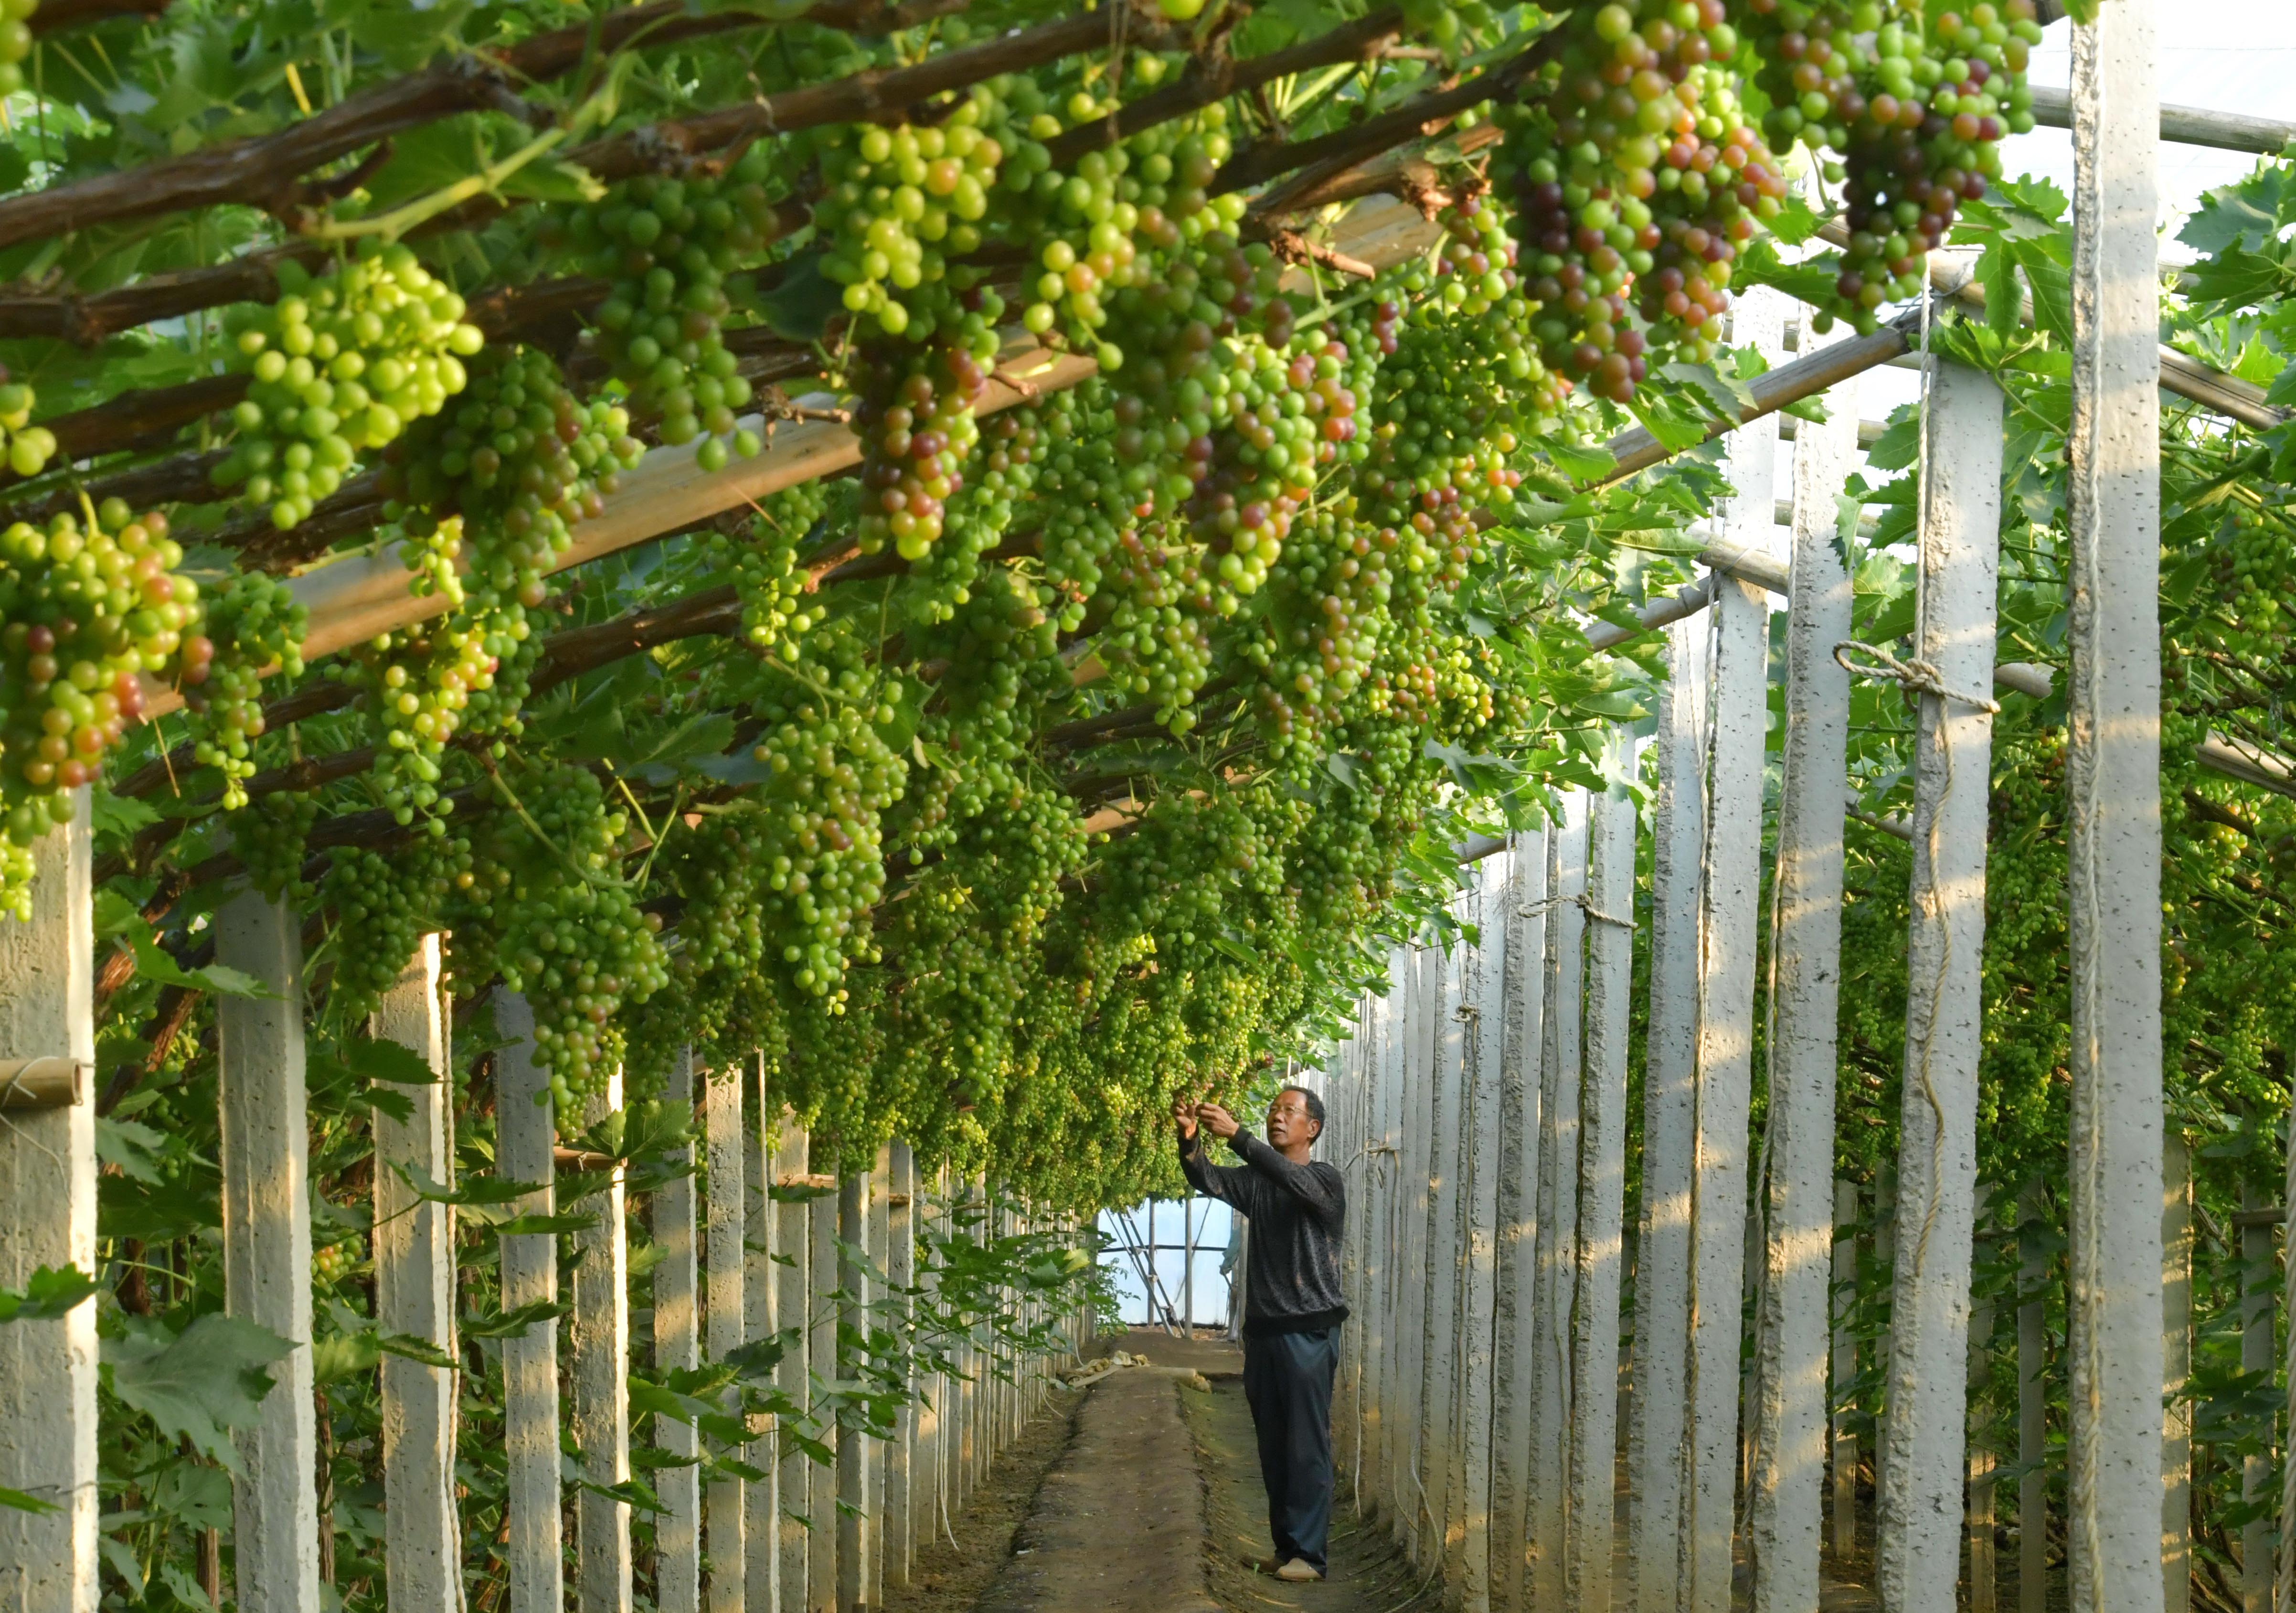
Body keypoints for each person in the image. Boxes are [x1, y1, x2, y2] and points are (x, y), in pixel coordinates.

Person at [1175, 1086, 1347, 1584]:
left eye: (1288, 1111)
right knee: (1274, 1444)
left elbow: (1296, 1183)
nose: (1277, 1116)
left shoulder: (1323, 1179)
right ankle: (1287, 1547)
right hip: (1266, 1332)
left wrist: (1237, 1135)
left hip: (1307, 1333)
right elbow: (1208, 1179)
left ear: (1311, 1128)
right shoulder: (1258, 1182)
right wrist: (1189, 1140)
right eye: (1273, 1109)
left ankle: (1310, 1556)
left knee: (1305, 1444)